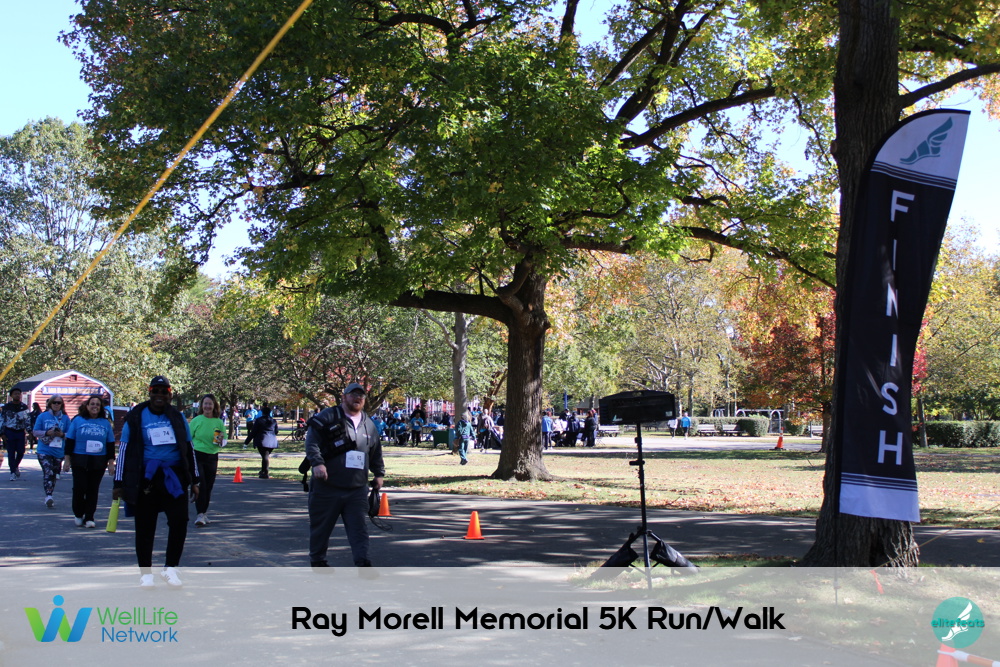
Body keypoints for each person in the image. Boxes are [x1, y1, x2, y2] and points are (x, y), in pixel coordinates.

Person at [113, 376, 199, 589]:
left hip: (173, 477)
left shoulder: (178, 417)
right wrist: (118, 482)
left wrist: (195, 480)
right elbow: (124, 450)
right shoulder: (136, 416)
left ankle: (170, 568)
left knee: (179, 521)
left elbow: (189, 449)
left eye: (164, 391)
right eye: (155, 390)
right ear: (149, 393)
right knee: (145, 526)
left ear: (170, 394)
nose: (159, 395)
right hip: (146, 478)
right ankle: (146, 573)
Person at [306, 382, 384, 567]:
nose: (357, 398)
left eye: (361, 396)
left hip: (356, 488)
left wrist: (379, 474)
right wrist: (317, 463)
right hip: (327, 486)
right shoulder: (328, 416)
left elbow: (375, 451)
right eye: (353, 394)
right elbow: (312, 442)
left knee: (359, 529)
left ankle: (362, 562)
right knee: (321, 528)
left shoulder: (368, 423)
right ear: (344, 397)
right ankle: (318, 561)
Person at [64, 394, 116, 527]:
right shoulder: (78, 420)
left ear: (101, 408)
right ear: (87, 406)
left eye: (98, 404)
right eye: (92, 404)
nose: (95, 406)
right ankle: (78, 513)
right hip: (79, 458)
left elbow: (110, 444)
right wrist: (67, 460)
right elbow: (70, 441)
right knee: (80, 488)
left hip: (98, 460)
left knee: (93, 489)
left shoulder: (105, 423)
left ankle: (89, 517)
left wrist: (111, 463)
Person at [190, 394, 225, 525]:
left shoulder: (218, 422)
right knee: (201, 485)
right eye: (205, 403)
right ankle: (199, 514)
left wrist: (221, 441)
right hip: (198, 455)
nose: (207, 406)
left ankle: (204, 513)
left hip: (212, 456)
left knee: (209, 486)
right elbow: (188, 438)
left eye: (210, 404)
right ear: (202, 406)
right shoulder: (196, 420)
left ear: (214, 406)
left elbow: (223, 440)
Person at [33, 396, 71, 507]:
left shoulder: (65, 418)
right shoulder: (43, 416)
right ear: (50, 404)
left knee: (53, 474)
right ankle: (48, 496)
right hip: (44, 449)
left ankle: (50, 492)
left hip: (58, 450)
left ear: (62, 405)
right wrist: (46, 433)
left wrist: (62, 434)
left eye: (59, 403)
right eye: (54, 402)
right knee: (48, 471)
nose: (56, 404)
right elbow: (35, 432)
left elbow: (71, 435)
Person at [2, 388, 31, 480]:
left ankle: (15, 466)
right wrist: (2, 433)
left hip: (20, 432)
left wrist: (30, 432)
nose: (17, 395)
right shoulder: (7, 407)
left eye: (19, 394)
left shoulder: (24, 407)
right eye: (15, 394)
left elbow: (27, 420)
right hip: (9, 431)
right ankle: (12, 472)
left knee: (21, 452)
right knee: (11, 453)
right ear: (11, 396)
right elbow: (2, 420)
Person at [244, 404, 279, 478]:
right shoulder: (273, 421)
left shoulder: (259, 420)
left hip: (262, 440)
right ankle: (263, 471)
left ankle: (265, 472)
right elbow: (276, 431)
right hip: (272, 441)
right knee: (265, 456)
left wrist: (246, 442)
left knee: (265, 456)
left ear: (262, 413)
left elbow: (253, 432)